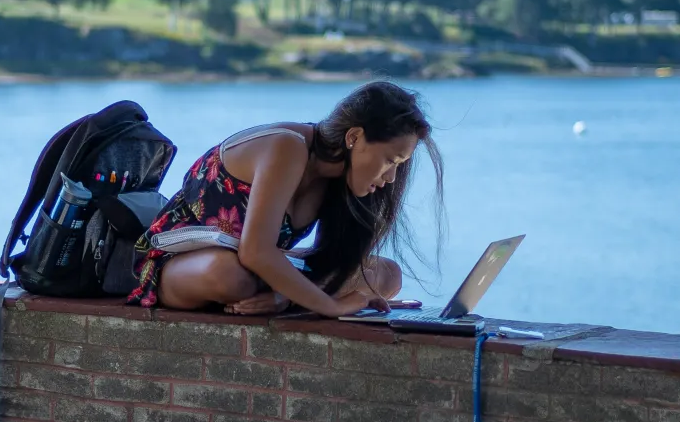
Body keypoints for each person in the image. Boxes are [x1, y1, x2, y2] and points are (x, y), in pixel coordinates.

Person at [125, 81, 443, 317]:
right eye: (390, 161)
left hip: (254, 267)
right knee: (230, 276)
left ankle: (284, 296)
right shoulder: (287, 147)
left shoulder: (337, 181)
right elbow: (256, 252)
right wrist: (331, 306)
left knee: (386, 273)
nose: (391, 178)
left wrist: (285, 296)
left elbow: (316, 260)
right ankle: (290, 295)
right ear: (354, 137)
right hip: (180, 265)